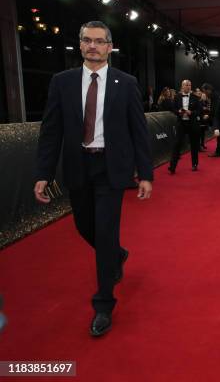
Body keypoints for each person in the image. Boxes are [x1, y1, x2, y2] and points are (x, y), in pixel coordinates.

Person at [34, 21, 153, 337]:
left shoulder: (125, 83)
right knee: (83, 226)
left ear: (109, 46)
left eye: (99, 41)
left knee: (104, 232)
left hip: (111, 169)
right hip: (77, 167)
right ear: (80, 44)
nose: (93, 46)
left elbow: (138, 131)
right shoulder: (62, 82)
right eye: (87, 40)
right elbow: (51, 131)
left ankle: (103, 304)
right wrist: (43, 174)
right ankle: (116, 254)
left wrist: (146, 173)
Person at [168, 79, 203, 173]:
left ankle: (194, 164)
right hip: (181, 123)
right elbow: (173, 109)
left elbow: (199, 111)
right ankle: (172, 166)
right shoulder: (177, 97)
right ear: (182, 86)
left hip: (192, 124)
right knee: (177, 144)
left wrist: (191, 112)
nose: (188, 86)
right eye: (186, 85)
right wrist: (178, 112)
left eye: (189, 85)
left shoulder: (196, 97)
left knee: (194, 144)